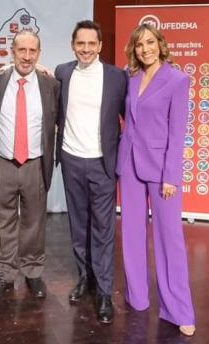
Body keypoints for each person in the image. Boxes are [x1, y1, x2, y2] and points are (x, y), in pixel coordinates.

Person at [116, 23, 196, 336]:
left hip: (162, 172)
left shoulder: (177, 79)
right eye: (139, 44)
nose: (145, 49)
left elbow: (178, 133)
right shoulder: (131, 76)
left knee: (169, 239)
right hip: (131, 166)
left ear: (160, 44)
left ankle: (178, 309)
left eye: (150, 42)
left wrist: (171, 177)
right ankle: (137, 299)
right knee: (132, 235)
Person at [54, 20, 127, 323]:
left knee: (103, 229)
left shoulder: (117, 78)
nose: (85, 49)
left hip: (102, 164)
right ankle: (86, 277)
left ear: (100, 46)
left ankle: (105, 291)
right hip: (71, 160)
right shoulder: (63, 72)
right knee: (79, 226)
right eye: (80, 43)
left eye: (91, 44)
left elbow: (132, 118)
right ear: (73, 45)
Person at [0, 30, 59, 303]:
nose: (27, 56)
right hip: (2, 162)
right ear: (12, 51)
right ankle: (4, 274)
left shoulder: (51, 85)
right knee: (2, 220)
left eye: (32, 51)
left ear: (39, 54)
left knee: (34, 221)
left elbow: (57, 123)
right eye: (22, 50)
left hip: (35, 163)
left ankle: (32, 271)